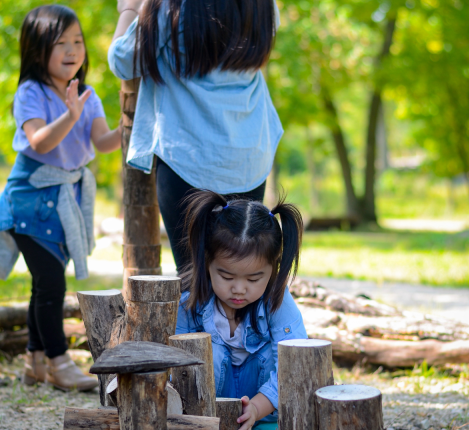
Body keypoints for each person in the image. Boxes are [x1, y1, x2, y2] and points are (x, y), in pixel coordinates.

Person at [108, 0, 283, 272]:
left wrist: (129, 10)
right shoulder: (262, 5)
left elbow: (123, 61)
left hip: (188, 157)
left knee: (195, 279)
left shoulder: (170, 6)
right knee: (240, 274)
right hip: (249, 151)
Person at [0, 5, 122, 391]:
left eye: (78, 41)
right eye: (61, 43)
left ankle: (35, 362)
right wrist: (70, 115)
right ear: (38, 51)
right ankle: (58, 362)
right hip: (30, 200)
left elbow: (101, 143)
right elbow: (39, 141)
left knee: (44, 284)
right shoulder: (30, 92)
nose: (73, 50)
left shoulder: (87, 94)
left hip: (64, 199)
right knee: (51, 283)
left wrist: (130, 126)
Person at [175, 189, 308, 430]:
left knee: (288, 355)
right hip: (208, 402)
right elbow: (177, 365)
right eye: (226, 277)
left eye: (253, 279)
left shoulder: (277, 301)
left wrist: (257, 408)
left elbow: (293, 364)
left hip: (263, 400)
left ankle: (264, 425)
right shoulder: (190, 302)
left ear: (274, 268)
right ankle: (207, 426)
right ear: (206, 262)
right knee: (197, 351)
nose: (238, 289)